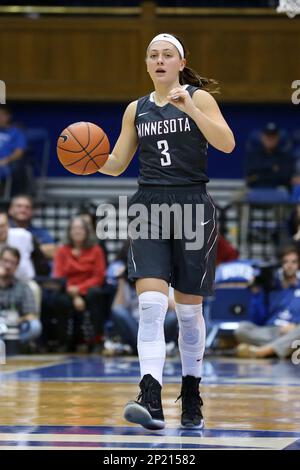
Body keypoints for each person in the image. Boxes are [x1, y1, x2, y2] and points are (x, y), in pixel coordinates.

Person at [98, 33, 235, 430]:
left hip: (193, 203)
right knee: (151, 306)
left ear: (180, 61)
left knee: (190, 313)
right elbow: (117, 162)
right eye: (153, 55)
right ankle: (151, 396)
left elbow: (226, 144)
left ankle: (191, 391)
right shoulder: (135, 110)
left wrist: (191, 106)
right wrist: (89, 162)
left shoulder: (199, 98)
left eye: (167, 55)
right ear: (146, 64)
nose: (159, 60)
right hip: (148, 206)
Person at [50, 216, 106, 351]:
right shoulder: (62, 250)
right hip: (68, 290)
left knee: (96, 294)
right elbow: (59, 276)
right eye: (74, 228)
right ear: (69, 231)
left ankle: (96, 341)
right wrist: (75, 295)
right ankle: (65, 341)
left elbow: (99, 277)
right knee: (59, 300)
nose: (77, 231)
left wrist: (80, 290)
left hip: (88, 289)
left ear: (87, 231)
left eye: (81, 228)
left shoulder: (96, 250)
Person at [235, 246, 300, 359]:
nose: (289, 265)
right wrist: (256, 293)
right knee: (242, 328)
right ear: (281, 264)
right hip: (272, 330)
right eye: (286, 262)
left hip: (293, 330)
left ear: (298, 265)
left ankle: (262, 351)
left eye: (293, 262)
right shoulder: (271, 286)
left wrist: (295, 325)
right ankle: (284, 348)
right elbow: (257, 319)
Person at [0, 246, 41, 346]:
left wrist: (16, 320)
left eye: (12, 263)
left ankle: (14, 346)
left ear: (17, 266)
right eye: (5, 261)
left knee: (35, 326)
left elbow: (31, 315)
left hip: (16, 326)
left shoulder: (24, 287)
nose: (8, 266)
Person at [245, 122, 293, 190]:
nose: (270, 139)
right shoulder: (253, 155)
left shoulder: (285, 157)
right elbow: (250, 177)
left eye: (273, 136)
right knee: (237, 198)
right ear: (262, 137)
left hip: (279, 191)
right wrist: (272, 168)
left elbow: (286, 177)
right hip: (255, 190)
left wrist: (261, 172)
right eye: (267, 136)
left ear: (278, 137)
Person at [8, 194, 56, 260]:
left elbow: (53, 252)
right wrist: (36, 248)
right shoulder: (4, 230)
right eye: (19, 206)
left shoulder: (41, 233)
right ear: (10, 210)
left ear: (32, 212)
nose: (23, 210)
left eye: (27, 207)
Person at [0, 106, 27, 195]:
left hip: (7, 163)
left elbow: (19, 152)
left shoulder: (16, 132)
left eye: (2, 115)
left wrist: (6, 160)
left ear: (8, 116)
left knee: (17, 169)